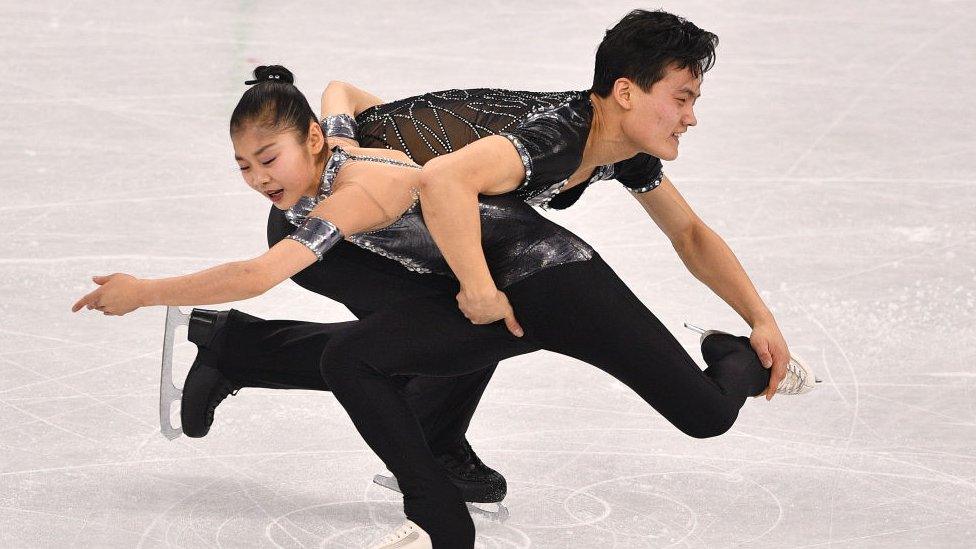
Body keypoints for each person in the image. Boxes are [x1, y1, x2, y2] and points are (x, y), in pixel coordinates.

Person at [72, 11, 819, 543]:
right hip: (393, 233)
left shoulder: (619, 147)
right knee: (398, 343)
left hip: (444, 240)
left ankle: (278, 366)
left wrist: (759, 315)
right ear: (627, 91)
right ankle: (426, 458)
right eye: (682, 98)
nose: (691, 115)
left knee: (699, 410)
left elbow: (688, 232)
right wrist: (480, 289)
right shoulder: (553, 139)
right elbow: (442, 180)